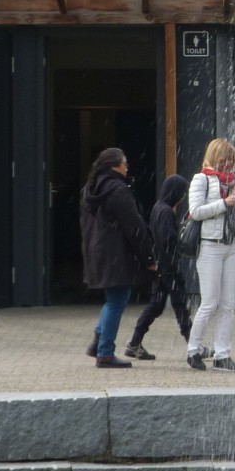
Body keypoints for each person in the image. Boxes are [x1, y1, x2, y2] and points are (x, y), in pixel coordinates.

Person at [80, 147, 156, 368]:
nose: (127, 168)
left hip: (96, 251)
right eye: (124, 164)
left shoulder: (88, 189)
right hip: (116, 254)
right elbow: (134, 227)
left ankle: (97, 344)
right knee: (117, 300)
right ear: (113, 167)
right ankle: (105, 353)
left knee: (113, 298)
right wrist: (149, 257)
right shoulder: (118, 190)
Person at [186, 138, 235, 373]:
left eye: (231, 160)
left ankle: (222, 355)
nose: (228, 164)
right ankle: (193, 350)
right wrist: (225, 203)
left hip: (233, 246)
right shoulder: (201, 179)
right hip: (210, 246)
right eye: (224, 159)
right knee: (209, 302)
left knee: (228, 304)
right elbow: (195, 211)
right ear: (214, 157)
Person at [124, 174, 196, 360]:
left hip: (161, 265)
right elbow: (168, 240)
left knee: (156, 305)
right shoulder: (166, 212)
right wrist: (183, 245)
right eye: (182, 192)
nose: (183, 197)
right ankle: (194, 345)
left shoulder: (158, 208)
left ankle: (135, 342)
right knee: (180, 305)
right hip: (168, 266)